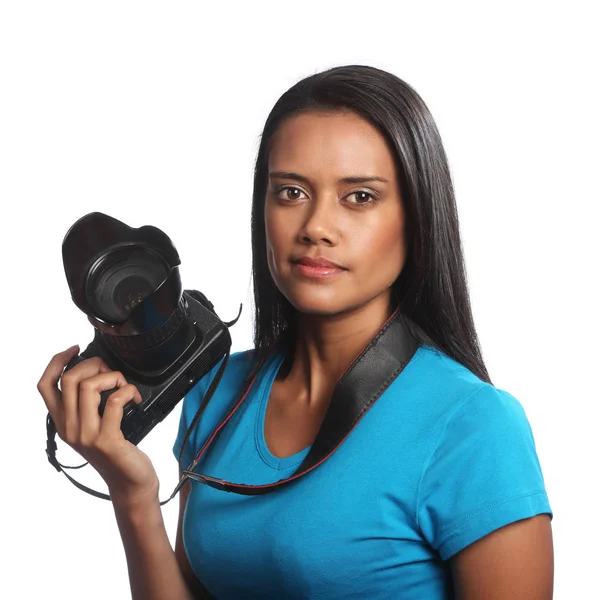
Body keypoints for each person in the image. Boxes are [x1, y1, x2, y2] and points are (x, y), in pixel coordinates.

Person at [38, 64, 554, 599]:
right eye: (290, 193)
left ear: (417, 216)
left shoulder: (472, 425)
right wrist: (133, 493)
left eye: (359, 197)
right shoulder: (217, 397)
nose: (315, 228)